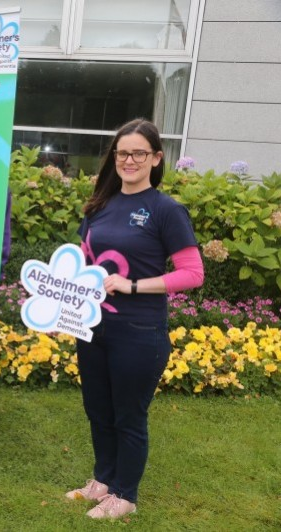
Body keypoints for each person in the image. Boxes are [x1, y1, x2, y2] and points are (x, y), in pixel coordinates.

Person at [66, 119, 204, 518]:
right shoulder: (100, 205)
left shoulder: (166, 210)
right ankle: (103, 481)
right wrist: (63, 297)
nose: (129, 160)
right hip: (93, 326)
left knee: (128, 414)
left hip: (139, 331)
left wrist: (133, 285)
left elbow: (193, 273)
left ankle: (125, 496)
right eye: (122, 152)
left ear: (156, 158)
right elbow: (83, 260)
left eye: (139, 153)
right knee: (98, 409)